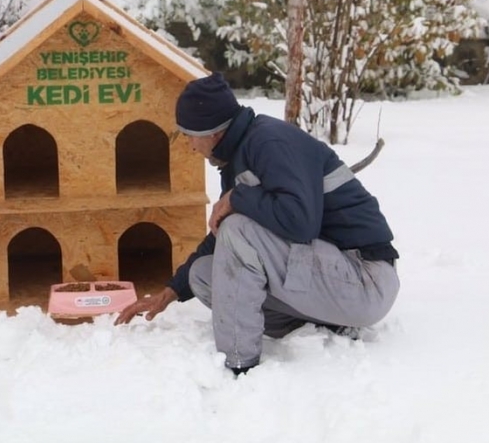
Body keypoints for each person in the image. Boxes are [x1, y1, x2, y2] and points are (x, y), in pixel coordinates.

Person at [115, 72, 399, 375]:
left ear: (212, 131)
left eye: (189, 134)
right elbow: (224, 238)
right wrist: (171, 291)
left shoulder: (270, 142)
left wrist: (238, 198)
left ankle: (239, 363)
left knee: (239, 230)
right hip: (331, 282)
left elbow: (300, 223)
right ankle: (321, 326)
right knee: (204, 275)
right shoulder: (239, 153)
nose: (188, 145)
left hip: (364, 280)